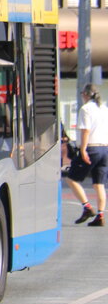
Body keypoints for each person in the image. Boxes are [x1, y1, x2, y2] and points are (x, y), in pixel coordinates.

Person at [67, 84, 108, 226]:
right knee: (99, 184)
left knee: (71, 178)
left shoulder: (85, 109)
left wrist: (83, 150)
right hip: (104, 149)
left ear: (86, 94)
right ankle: (100, 215)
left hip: (91, 148)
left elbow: (86, 131)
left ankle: (87, 207)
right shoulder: (104, 108)